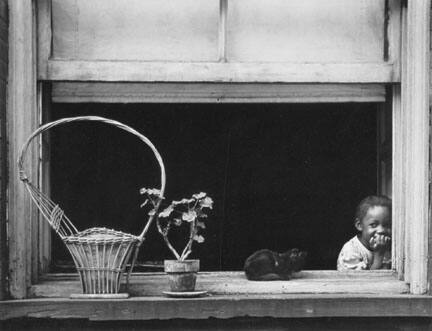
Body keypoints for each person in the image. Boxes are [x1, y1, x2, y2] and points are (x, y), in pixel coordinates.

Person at [337, 195, 391, 270]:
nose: (382, 230)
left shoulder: (388, 246)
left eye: (386, 225)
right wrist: (379, 255)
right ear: (359, 225)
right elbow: (366, 280)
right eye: (373, 225)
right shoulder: (350, 250)